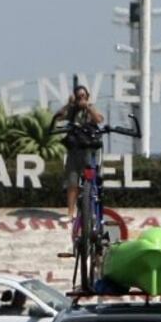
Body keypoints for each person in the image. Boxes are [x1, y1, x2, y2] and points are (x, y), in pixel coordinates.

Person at [53, 85, 104, 224]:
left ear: (87, 96)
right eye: (78, 96)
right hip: (74, 150)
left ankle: (91, 211)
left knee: (91, 180)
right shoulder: (72, 110)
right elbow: (58, 117)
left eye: (83, 96)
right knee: (72, 182)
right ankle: (70, 213)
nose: (81, 98)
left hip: (89, 149)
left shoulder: (91, 107)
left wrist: (87, 107)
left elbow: (99, 119)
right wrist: (68, 105)